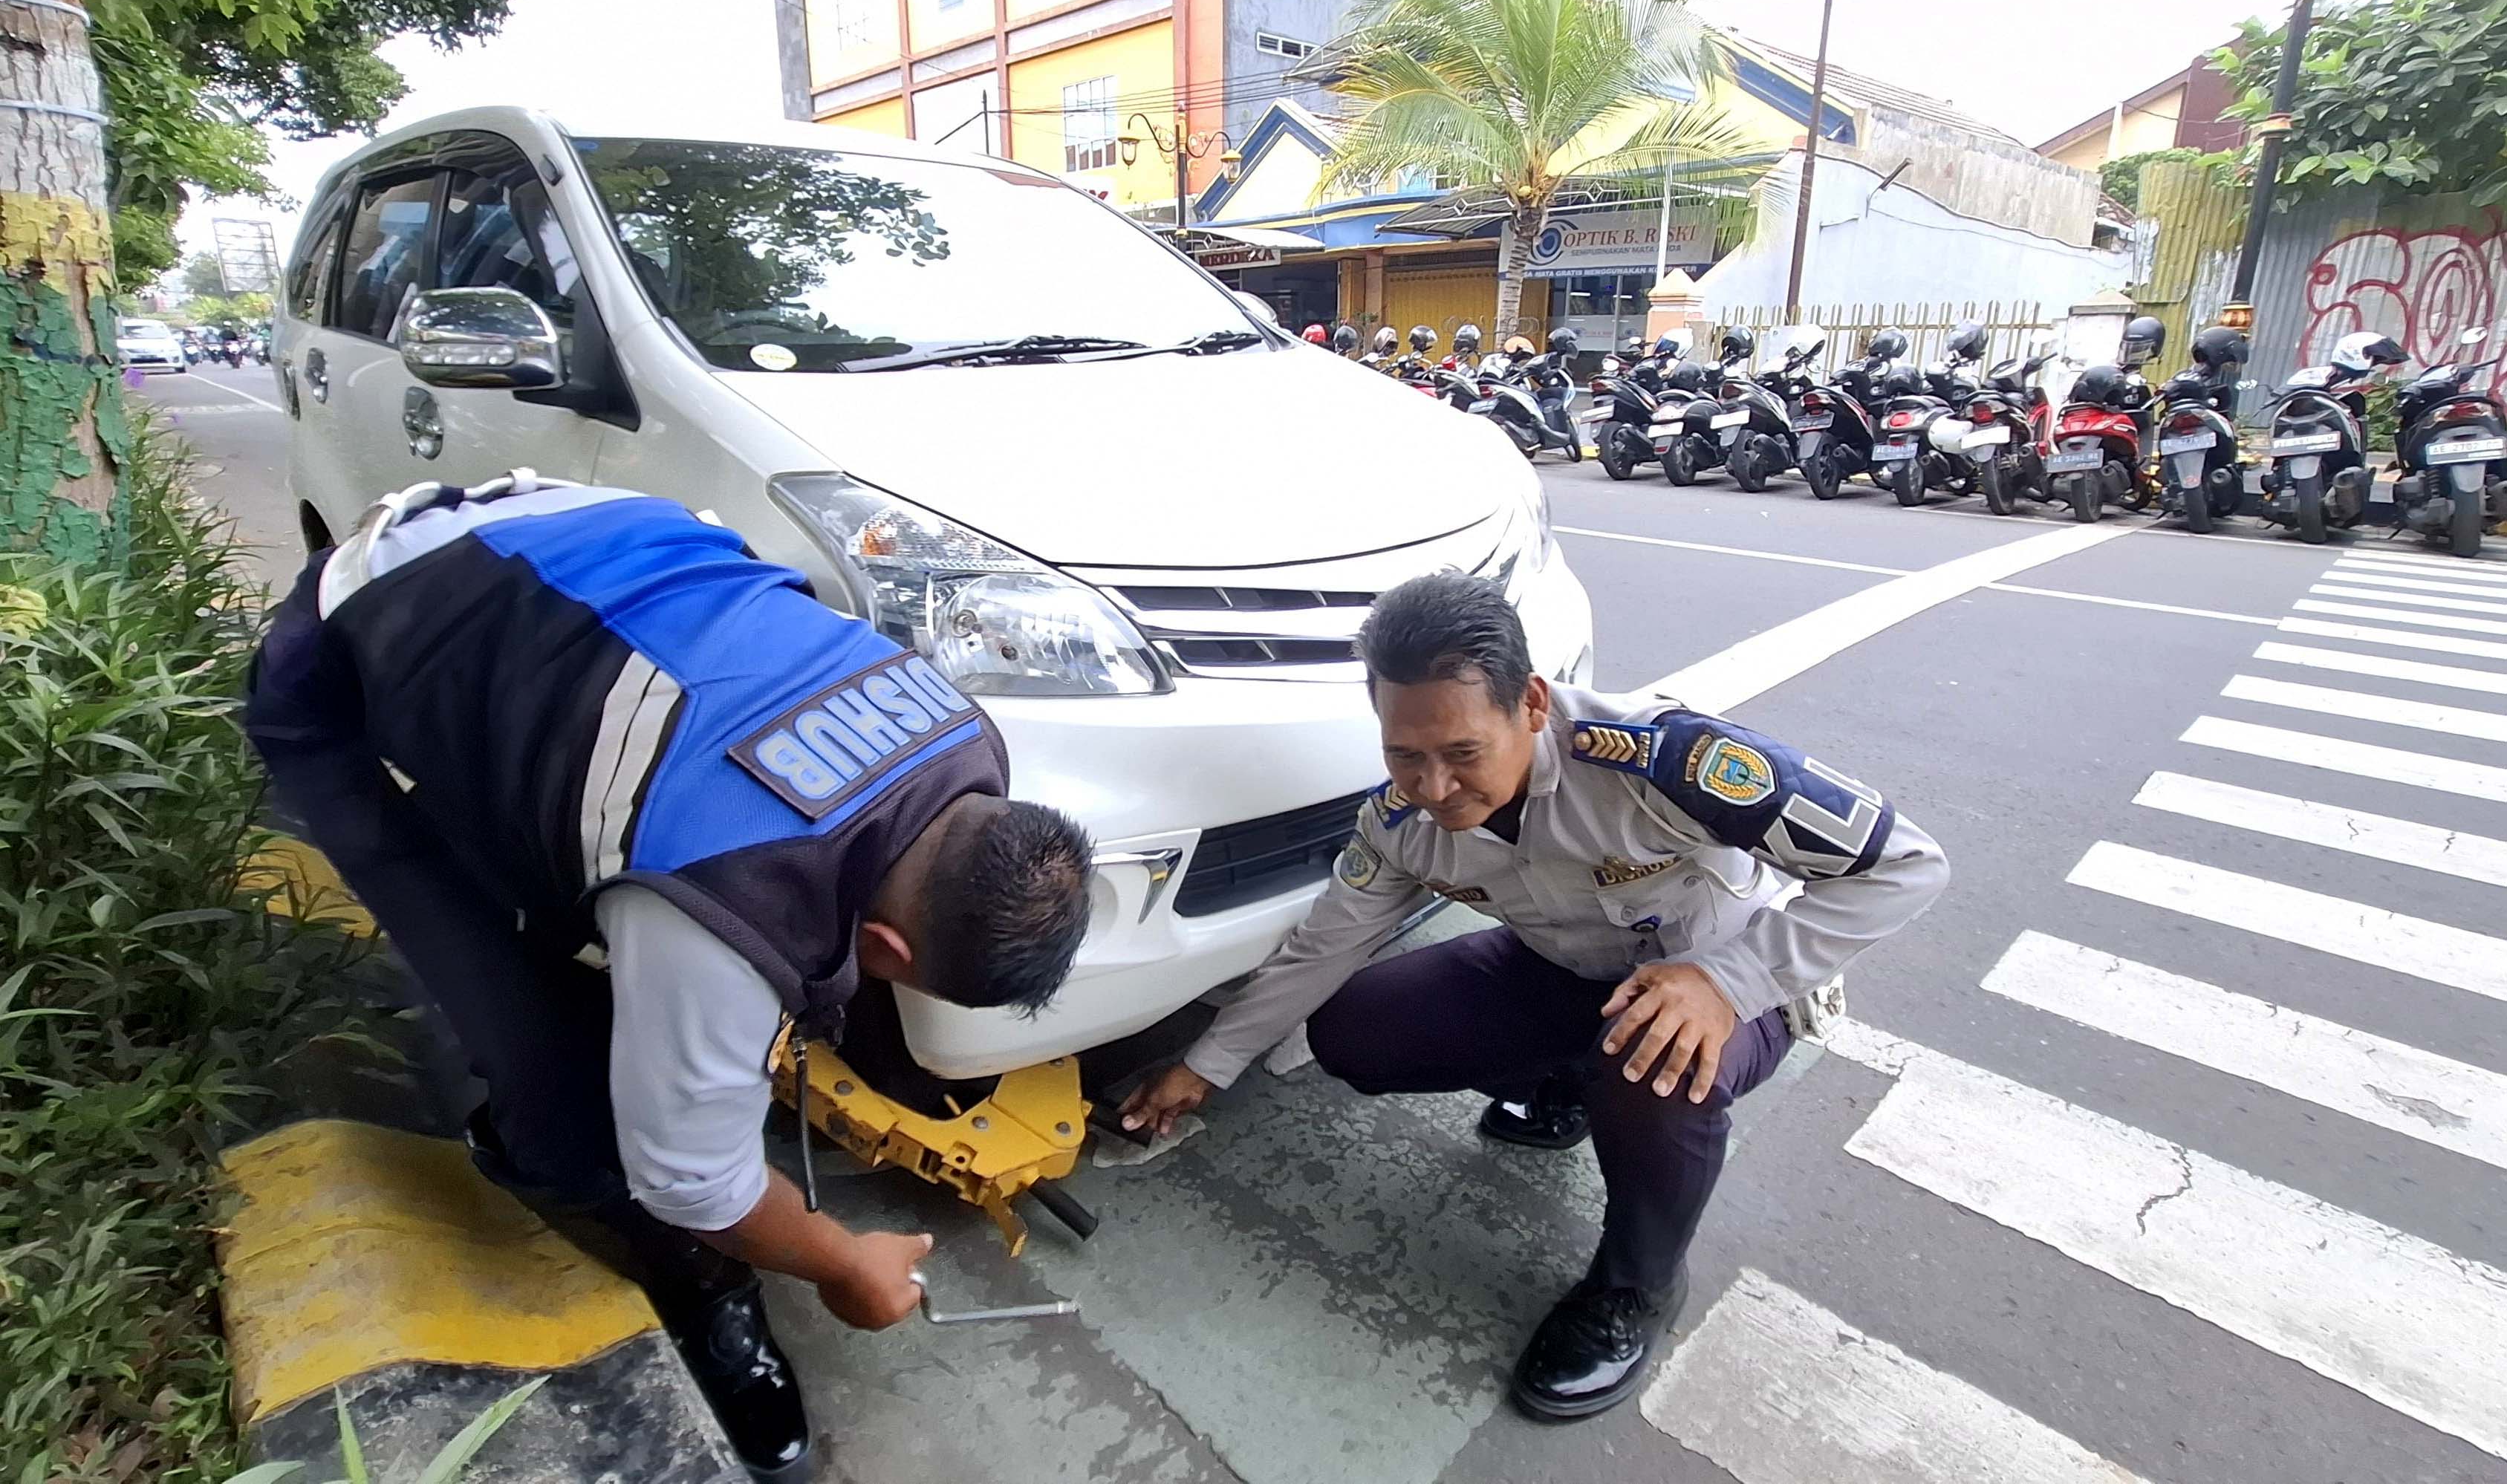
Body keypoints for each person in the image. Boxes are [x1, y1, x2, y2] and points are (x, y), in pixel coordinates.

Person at [243, 473, 1094, 1480]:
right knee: (559, 1088)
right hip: (361, 633)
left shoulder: (965, 741)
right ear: (897, 955)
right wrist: (839, 1261)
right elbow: (693, 1178)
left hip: (585, 542)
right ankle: (662, 1254)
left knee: (611, 901)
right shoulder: (720, 889)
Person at [1121, 574, 1946, 1421]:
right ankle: (1565, 1088)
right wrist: (1206, 1065)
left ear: (1533, 705)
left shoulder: (1665, 761)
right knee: (1354, 1029)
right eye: (1404, 754)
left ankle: (1637, 1287)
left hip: (1727, 985)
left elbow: (1908, 866)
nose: (1433, 788)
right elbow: (1322, 947)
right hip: (1561, 972)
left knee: (1647, 1063)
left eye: (1462, 753)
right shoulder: (1401, 824)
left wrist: (1729, 981)